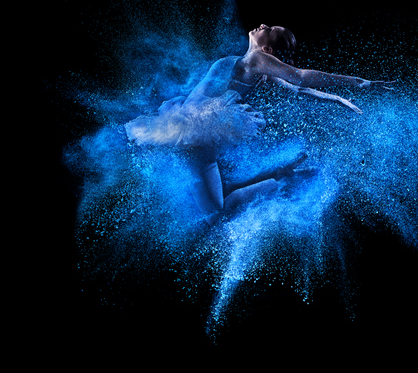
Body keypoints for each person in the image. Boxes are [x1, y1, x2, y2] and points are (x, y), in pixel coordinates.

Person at [126, 24, 394, 226]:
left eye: (269, 30)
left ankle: (277, 177)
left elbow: (300, 78)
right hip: (198, 134)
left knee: (211, 214)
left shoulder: (254, 60)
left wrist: (357, 82)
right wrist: (335, 98)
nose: (263, 25)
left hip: (193, 131)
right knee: (215, 214)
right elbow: (300, 90)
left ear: (267, 50)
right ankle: (278, 177)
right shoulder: (249, 69)